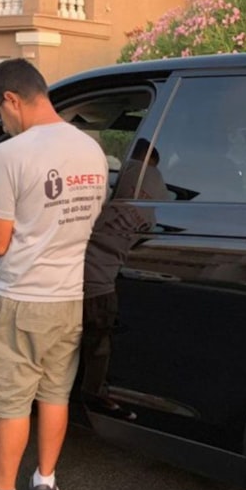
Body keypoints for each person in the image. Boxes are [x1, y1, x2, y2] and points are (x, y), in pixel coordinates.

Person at [0, 58, 108, 490]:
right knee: (55, 394)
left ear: (10, 99)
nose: (1, 126)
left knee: (11, 401)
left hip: (22, 298)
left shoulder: (10, 156)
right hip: (69, 298)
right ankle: (44, 484)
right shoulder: (92, 150)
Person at [79, 139, 168, 417]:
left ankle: (76, 397)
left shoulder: (128, 176)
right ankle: (95, 395)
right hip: (104, 287)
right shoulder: (157, 199)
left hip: (81, 283)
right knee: (98, 345)